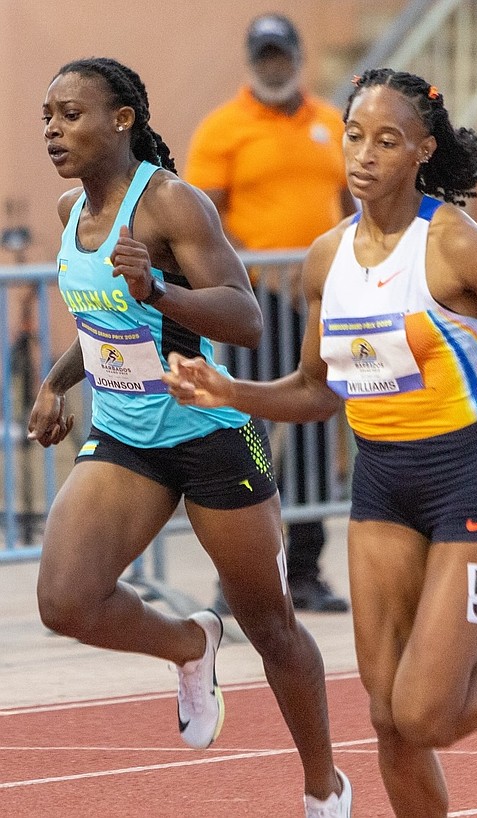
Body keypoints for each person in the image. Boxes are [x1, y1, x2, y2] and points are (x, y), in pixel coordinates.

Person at [164, 68, 477, 817]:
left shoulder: (455, 244)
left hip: (468, 480)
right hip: (382, 486)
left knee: (425, 714)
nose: (363, 154)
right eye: (354, 135)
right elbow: (318, 391)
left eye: (386, 140)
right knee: (390, 722)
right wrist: (233, 393)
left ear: (421, 149)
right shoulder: (324, 258)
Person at [30, 56, 351, 817]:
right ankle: (186, 645)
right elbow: (107, 321)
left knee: (271, 625)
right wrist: (56, 380)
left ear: (122, 119)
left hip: (208, 432)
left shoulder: (173, 206)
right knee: (65, 601)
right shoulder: (71, 211)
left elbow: (246, 318)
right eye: (46, 116)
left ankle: (324, 789)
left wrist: (161, 288)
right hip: (127, 437)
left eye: (70, 114)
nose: (52, 129)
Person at [184, 12, 357, 613]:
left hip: (327, 300)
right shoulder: (224, 128)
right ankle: (241, 574)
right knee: (244, 429)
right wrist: (247, 268)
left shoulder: (332, 123)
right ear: (251, 60)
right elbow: (203, 218)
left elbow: (350, 200)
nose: (274, 65)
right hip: (260, 301)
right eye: (264, 55)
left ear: (299, 55)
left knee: (312, 426)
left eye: (282, 53)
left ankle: (305, 569)